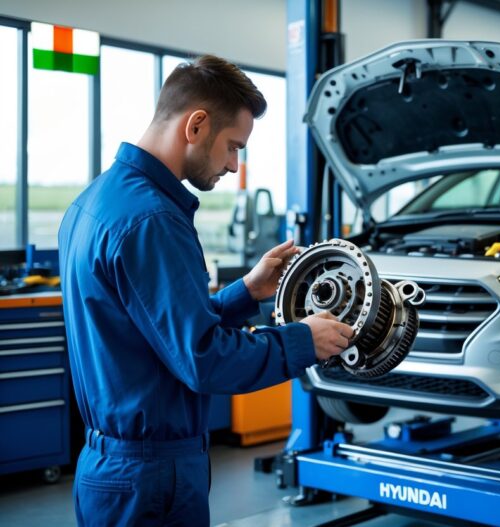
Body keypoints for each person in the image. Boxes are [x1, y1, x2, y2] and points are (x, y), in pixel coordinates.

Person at [58, 54, 353, 527]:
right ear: (196, 126)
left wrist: (247, 292)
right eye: (233, 147)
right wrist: (303, 340)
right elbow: (202, 359)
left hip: (112, 467)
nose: (235, 167)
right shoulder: (153, 220)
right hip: (152, 475)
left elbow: (159, 333)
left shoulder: (96, 200)